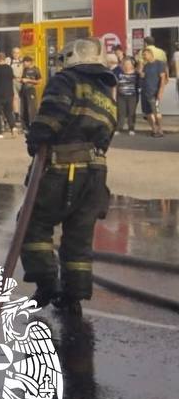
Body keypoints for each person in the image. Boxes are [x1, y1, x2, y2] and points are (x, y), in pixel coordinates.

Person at [21, 38, 116, 314]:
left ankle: (47, 284)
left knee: (33, 223)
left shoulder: (65, 81)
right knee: (78, 235)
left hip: (66, 170)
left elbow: (51, 116)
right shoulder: (106, 93)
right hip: (96, 175)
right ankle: (73, 295)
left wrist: (36, 138)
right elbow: (107, 135)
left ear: (71, 57)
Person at [140, 47, 169, 137]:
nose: (144, 56)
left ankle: (160, 130)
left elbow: (163, 79)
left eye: (145, 54)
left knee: (156, 112)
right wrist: (141, 70)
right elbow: (142, 76)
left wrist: (160, 91)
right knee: (147, 112)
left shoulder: (159, 64)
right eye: (143, 55)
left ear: (151, 54)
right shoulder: (146, 65)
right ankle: (154, 130)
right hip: (145, 92)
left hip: (154, 93)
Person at [116, 57, 140, 135]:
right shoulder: (119, 73)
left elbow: (139, 85)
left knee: (131, 113)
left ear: (132, 65)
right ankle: (119, 128)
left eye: (128, 64)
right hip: (121, 96)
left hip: (132, 96)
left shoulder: (136, 74)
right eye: (125, 64)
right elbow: (116, 85)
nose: (127, 65)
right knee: (121, 113)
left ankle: (131, 128)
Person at [18, 56, 41, 131]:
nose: (24, 64)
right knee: (23, 109)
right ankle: (25, 127)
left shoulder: (35, 70)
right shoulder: (25, 69)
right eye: (23, 62)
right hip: (24, 91)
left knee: (31, 108)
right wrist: (21, 80)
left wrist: (28, 80)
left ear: (29, 62)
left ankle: (33, 126)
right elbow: (23, 79)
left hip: (31, 90)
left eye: (25, 62)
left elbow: (39, 81)